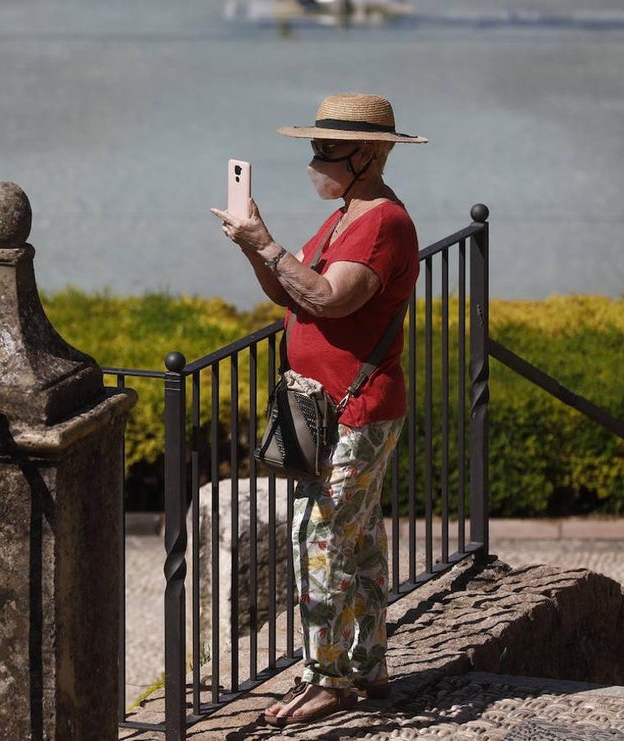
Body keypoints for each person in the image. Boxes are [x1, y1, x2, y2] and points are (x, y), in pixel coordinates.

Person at [210, 92, 425, 727]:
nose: (314, 158)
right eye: (313, 145)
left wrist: (268, 242)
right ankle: (368, 665)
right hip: (330, 409)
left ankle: (325, 678)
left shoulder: (384, 223)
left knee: (319, 540)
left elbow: (330, 299)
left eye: (326, 148)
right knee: (354, 542)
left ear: (366, 155)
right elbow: (292, 286)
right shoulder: (343, 216)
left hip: (356, 408)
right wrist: (253, 244)